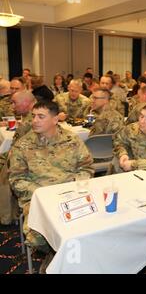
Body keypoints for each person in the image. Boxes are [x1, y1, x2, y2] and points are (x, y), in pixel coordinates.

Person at [9, 101, 94, 251]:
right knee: (39, 237)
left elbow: (86, 168)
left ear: (55, 120)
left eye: (41, 116)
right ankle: (54, 256)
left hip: (70, 193)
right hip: (38, 197)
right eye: (33, 116)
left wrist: (74, 186)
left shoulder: (72, 140)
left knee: (90, 225)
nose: (35, 120)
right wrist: (42, 193)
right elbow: (16, 180)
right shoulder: (22, 145)